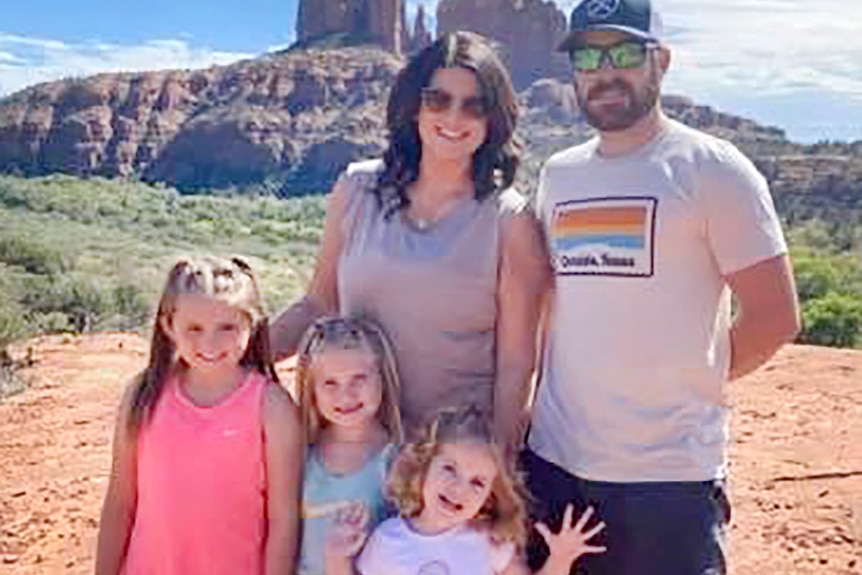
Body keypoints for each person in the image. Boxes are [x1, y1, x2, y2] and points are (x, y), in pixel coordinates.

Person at [523, 0, 802, 574]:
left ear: (661, 61)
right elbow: (551, 299)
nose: (605, 71)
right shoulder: (560, 174)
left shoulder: (713, 168)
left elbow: (775, 317)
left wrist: (687, 379)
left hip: (669, 478)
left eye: (624, 52)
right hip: (555, 464)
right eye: (587, 56)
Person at [270, 31, 550, 444]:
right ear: (414, 106)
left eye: (474, 106)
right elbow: (319, 303)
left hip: (445, 469)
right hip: (354, 450)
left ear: (493, 120)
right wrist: (227, 359)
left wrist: (497, 469)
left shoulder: (509, 220)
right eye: (438, 100)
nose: (454, 118)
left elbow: (515, 363)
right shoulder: (356, 189)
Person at [94, 256, 303, 575]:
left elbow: (284, 519)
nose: (210, 343)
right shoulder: (143, 395)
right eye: (194, 328)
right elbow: (120, 502)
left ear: (253, 324)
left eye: (227, 328)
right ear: (168, 325)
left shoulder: (272, 407)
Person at [326, 406, 606, 575]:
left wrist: (560, 558)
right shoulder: (387, 541)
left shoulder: (490, 542)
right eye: (450, 469)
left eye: (477, 483)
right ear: (424, 465)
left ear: (489, 497)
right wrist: (336, 557)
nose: (459, 488)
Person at [295, 315, 404, 575]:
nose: (346, 394)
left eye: (359, 379)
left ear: (382, 377)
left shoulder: (398, 458)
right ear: (312, 389)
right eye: (330, 383)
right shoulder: (300, 453)